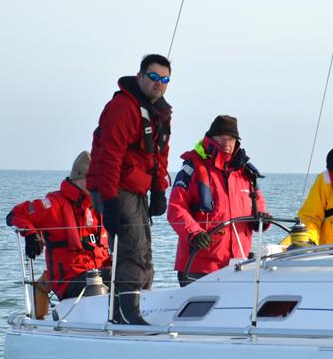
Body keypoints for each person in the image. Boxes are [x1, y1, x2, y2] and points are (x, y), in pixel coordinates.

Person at [85, 54, 172, 324]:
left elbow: (160, 156)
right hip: (115, 186)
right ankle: (128, 314)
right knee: (132, 249)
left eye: (165, 79)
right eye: (154, 77)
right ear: (140, 77)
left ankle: (120, 312)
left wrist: (159, 191)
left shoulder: (160, 113)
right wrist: (110, 202)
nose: (159, 83)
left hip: (137, 188)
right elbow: (108, 157)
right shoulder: (123, 107)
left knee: (143, 252)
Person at [168, 115, 270, 286]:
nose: (226, 143)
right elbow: (175, 208)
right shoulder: (191, 168)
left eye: (231, 139)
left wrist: (263, 218)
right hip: (198, 265)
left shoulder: (246, 173)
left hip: (239, 265)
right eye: (221, 138)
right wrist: (193, 232)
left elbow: (258, 205)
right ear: (210, 138)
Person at [6, 151, 111, 305]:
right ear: (75, 180)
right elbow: (16, 214)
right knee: (120, 276)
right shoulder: (54, 205)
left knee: (140, 271)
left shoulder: (100, 207)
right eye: (89, 179)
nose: (94, 184)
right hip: (71, 281)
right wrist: (31, 234)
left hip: (99, 274)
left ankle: (134, 311)